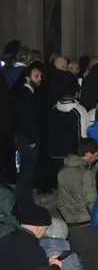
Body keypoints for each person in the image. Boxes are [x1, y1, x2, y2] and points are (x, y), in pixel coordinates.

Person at [55, 138, 98, 270]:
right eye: (96, 154)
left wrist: (68, 216)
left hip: (71, 226)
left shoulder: (62, 172)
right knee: (90, 264)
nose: (97, 158)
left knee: (75, 264)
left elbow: (59, 201)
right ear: (88, 154)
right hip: (87, 225)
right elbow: (91, 202)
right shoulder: (86, 174)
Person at [1, 203, 64, 270]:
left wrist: (47, 261)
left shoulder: (6, 239)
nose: (45, 233)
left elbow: (21, 264)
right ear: (39, 227)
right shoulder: (33, 249)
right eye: (45, 229)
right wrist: (56, 266)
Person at [12, 63, 43, 207]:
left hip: (24, 137)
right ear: (27, 78)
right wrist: (31, 140)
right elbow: (27, 119)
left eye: (40, 76)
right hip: (26, 138)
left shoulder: (27, 93)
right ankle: (25, 201)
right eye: (36, 76)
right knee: (26, 172)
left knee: (26, 171)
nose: (39, 78)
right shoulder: (25, 94)